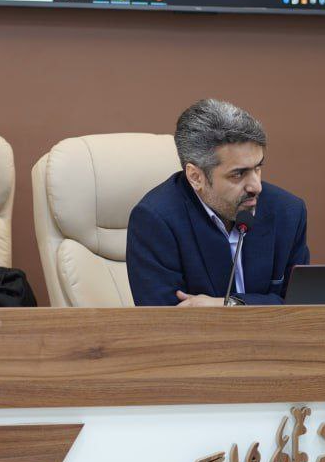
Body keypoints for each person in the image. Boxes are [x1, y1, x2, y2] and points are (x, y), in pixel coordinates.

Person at [127, 98, 308, 306]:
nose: (256, 186)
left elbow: (302, 306)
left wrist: (228, 305)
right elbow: (164, 317)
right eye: (238, 174)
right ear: (196, 177)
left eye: (258, 168)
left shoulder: (287, 212)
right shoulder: (155, 220)